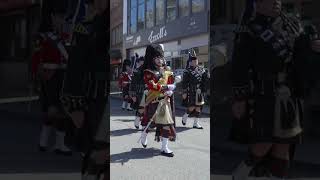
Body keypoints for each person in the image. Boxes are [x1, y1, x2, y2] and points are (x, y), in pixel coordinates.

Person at [230, 0, 320, 179]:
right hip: (263, 95)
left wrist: (314, 49)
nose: (275, 3)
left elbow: (302, 58)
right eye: (269, 0)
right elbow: (239, 66)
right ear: (259, 4)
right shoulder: (250, 29)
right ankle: (239, 175)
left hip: (289, 95)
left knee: (284, 145)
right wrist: (240, 98)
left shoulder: (294, 25)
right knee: (263, 144)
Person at [60, 0, 109, 178]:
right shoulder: (87, 28)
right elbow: (74, 69)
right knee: (97, 156)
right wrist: (75, 106)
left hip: (112, 100)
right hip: (96, 100)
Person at [35, 7, 71, 156]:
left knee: (62, 111)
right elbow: (36, 58)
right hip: (49, 77)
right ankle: (43, 141)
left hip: (62, 77)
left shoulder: (64, 37)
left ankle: (59, 144)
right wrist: (37, 74)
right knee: (51, 110)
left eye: (62, 17)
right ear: (51, 17)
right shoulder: (43, 37)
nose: (60, 20)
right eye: (58, 17)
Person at [139, 44, 178, 157]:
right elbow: (152, 86)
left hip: (165, 102)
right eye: (157, 58)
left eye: (161, 58)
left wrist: (172, 90)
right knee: (150, 124)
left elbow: (172, 84)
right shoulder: (148, 72)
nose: (160, 60)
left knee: (166, 123)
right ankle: (144, 135)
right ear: (153, 59)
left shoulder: (167, 71)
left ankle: (164, 147)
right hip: (153, 101)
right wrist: (166, 88)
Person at [181, 49, 209, 129]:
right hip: (192, 90)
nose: (195, 62)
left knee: (199, 107)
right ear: (190, 62)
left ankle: (195, 123)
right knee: (192, 106)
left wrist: (205, 87)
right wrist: (184, 92)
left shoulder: (201, 69)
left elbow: (205, 80)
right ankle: (185, 116)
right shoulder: (187, 71)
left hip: (200, 91)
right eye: (193, 61)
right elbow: (184, 82)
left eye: (196, 61)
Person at [130, 56, 146, 129]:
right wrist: (133, 95)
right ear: (139, 62)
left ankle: (143, 124)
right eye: (142, 61)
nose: (143, 62)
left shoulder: (148, 70)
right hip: (139, 92)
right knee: (141, 108)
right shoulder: (136, 71)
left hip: (148, 91)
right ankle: (137, 121)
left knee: (147, 109)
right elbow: (132, 83)